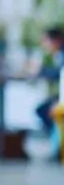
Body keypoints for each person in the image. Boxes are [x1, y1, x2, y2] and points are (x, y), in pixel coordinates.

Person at [34, 27, 63, 158]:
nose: (44, 44)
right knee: (45, 109)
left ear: (56, 40)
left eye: (46, 41)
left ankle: (58, 146)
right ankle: (57, 145)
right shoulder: (57, 56)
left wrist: (41, 71)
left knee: (45, 110)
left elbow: (58, 73)